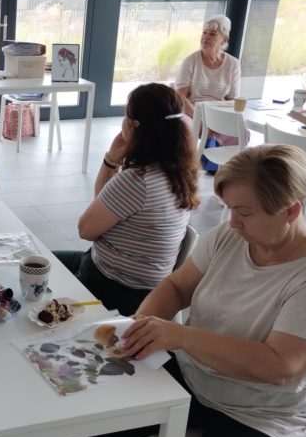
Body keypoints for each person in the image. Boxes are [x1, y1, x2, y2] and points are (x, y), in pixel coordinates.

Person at [90, 144, 306, 437]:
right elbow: (177, 287)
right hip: (195, 377)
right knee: (103, 409)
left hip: (262, 413)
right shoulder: (232, 235)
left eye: (245, 212)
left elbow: (280, 367)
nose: (233, 222)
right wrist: (141, 325)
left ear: (291, 210)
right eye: (229, 208)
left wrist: (181, 336)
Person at [53, 83, 200, 316]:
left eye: (126, 115)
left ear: (135, 125)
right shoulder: (180, 172)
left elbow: (86, 229)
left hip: (112, 287)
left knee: (35, 267)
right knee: (42, 259)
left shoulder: (138, 181)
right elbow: (103, 205)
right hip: (146, 287)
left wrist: (111, 160)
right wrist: (112, 161)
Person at [174, 14, 241, 121]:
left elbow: (233, 101)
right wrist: (200, 120)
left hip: (220, 115)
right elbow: (180, 98)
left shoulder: (233, 64)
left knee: (242, 133)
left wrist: (218, 119)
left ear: (224, 40)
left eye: (212, 34)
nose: (205, 37)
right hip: (194, 115)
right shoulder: (190, 61)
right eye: (204, 32)